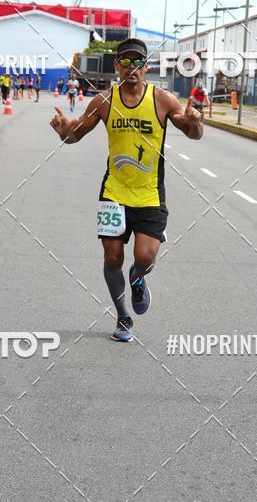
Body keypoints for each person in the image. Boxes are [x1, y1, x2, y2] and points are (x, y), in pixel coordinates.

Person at [50, 38, 203, 342]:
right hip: (114, 193)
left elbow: (192, 132)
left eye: (138, 62)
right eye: (125, 62)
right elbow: (74, 137)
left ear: (146, 67)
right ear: (117, 66)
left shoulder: (161, 99)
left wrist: (195, 122)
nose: (132, 68)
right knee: (111, 258)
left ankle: (137, 278)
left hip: (149, 195)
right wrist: (64, 131)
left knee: (144, 258)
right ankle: (122, 317)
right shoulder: (105, 101)